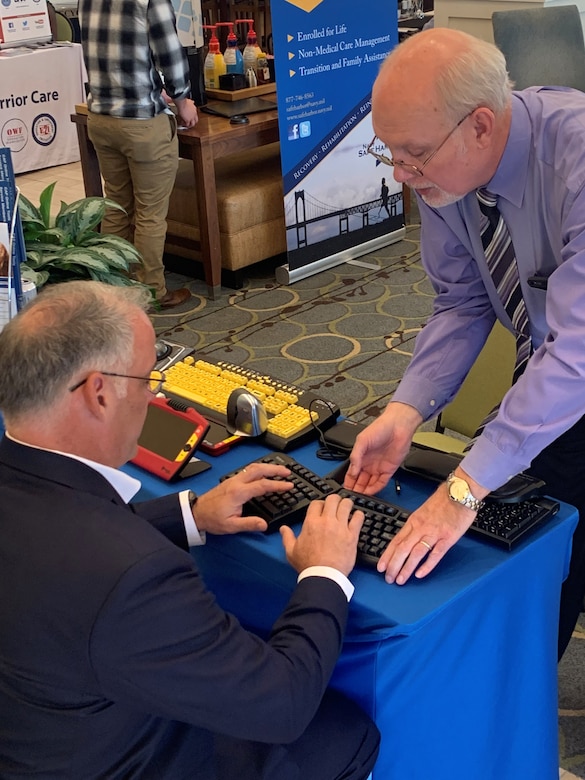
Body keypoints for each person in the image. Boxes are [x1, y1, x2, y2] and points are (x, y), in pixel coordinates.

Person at [0, 281, 380, 779]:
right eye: (145, 380)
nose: (154, 394)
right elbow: (282, 705)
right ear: (98, 393)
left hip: (42, 734)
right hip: (126, 757)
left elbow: (61, 537)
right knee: (345, 732)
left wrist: (192, 515)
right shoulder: (133, 576)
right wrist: (325, 574)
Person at [344, 27, 585, 659]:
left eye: (415, 154)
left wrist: (465, 487)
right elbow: (463, 299)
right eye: (389, 153)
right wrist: (405, 412)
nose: (400, 175)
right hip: (551, 374)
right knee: (545, 562)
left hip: (573, 360)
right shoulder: (447, 178)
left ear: (481, 125)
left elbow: (577, 353)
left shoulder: (578, 157)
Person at [78, 0, 198, 309]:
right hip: (142, 123)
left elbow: (106, 53)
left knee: (116, 205)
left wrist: (149, 84)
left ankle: (114, 285)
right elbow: (170, 55)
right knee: (150, 214)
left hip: (101, 117)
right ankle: (151, 291)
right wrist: (183, 101)